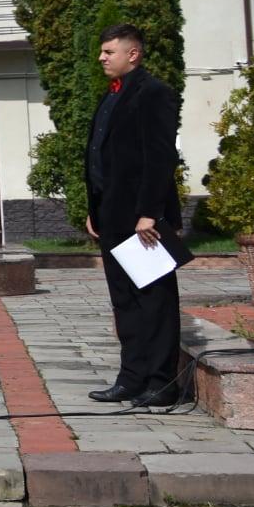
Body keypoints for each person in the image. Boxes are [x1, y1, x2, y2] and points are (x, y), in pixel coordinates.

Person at [81, 23, 184, 409]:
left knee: (153, 299)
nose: (102, 58)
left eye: (109, 52)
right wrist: (95, 210)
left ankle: (161, 383)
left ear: (133, 54)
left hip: (142, 219)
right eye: (103, 51)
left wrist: (149, 213)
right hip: (112, 215)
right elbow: (101, 157)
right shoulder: (112, 95)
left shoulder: (153, 94)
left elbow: (159, 158)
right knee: (124, 301)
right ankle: (131, 378)